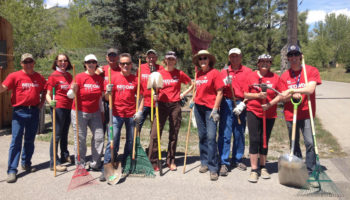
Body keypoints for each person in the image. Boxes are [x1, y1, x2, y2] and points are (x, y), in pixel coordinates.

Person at [0, 53, 46, 183]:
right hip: (19, 112)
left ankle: (26, 163)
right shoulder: (14, 76)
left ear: (34, 63)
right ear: (21, 64)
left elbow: (45, 88)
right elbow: (2, 88)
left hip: (34, 111)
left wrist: (42, 103)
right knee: (16, 141)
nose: (28, 64)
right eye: (25, 62)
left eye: (30, 61)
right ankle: (12, 171)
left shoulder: (39, 77)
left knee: (30, 140)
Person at [281, 45, 322, 175]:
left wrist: (293, 90)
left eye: (296, 55)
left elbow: (310, 89)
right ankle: (298, 169)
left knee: (310, 142)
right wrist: (291, 95)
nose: (293, 58)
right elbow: (283, 97)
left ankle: (310, 170)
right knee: (294, 143)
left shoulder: (310, 71)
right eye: (291, 55)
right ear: (287, 58)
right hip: (290, 114)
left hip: (306, 113)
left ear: (300, 56)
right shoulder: (285, 76)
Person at [147, 51, 192, 171]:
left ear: (175, 60)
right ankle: (153, 161)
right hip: (161, 104)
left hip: (175, 105)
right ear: (165, 60)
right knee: (155, 134)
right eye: (168, 59)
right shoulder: (159, 73)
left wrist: (183, 94)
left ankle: (170, 160)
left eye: (173, 59)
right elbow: (153, 88)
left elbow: (192, 84)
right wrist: (155, 95)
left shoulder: (179, 73)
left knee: (174, 133)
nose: (170, 61)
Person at [243, 54, 284, 183]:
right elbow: (244, 94)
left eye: (268, 61)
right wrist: (258, 95)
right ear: (258, 63)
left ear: (271, 63)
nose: (265, 63)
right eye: (262, 61)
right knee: (254, 139)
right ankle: (254, 170)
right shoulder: (250, 76)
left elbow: (281, 94)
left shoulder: (275, 78)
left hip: (269, 113)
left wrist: (270, 104)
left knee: (264, 139)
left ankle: (263, 166)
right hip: (253, 111)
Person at [100, 53, 139, 181]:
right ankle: (106, 167)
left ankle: (126, 164)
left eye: (127, 63)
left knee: (130, 141)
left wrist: (139, 111)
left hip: (131, 115)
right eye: (122, 63)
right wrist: (108, 92)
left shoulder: (135, 79)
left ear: (131, 65)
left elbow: (142, 96)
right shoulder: (114, 77)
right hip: (116, 115)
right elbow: (106, 98)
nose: (125, 65)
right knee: (112, 141)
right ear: (119, 64)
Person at [218, 48, 252, 176]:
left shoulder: (248, 71)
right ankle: (224, 162)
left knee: (239, 132)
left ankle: (237, 159)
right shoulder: (224, 71)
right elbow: (219, 88)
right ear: (229, 58)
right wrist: (224, 82)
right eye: (232, 56)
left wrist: (243, 104)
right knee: (225, 133)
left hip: (241, 102)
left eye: (237, 56)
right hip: (227, 102)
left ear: (241, 57)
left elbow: (251, 90)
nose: (234, 58)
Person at [68, 54, 104, 170]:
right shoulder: (78, 77)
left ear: (96, 64)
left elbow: (101, 97)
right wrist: (73, 90)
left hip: (95, 112)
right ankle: (80, 164)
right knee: (80, 138)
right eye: (89, 62)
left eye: (93, 62)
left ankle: (95, 163)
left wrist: (102, 111)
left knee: (99, 137)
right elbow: (70, 95)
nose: (91, 64)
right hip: (79, 112)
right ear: (85, 64)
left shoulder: (99, 79)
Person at [192, 50, 224, 181]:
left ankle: (213, 167)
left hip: (210, 109)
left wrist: (215, 109)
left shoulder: (215, 73)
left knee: (211, 137)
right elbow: (197, 89)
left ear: (209, 60)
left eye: (205, 58)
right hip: (198, 108)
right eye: (200, 59)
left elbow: (220, 92)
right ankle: (204, 162)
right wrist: (192, 100)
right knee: (202, 136)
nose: (203, 60)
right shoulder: (198, 73)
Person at [46, 54, 73, 172]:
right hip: (58, 107)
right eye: (60, 61)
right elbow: (48, 93)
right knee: (56, 135)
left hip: (69, 107)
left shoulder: (69, 75)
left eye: (65, 60)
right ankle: (54, 162)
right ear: (56, 62)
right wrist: (50, 102)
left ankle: (64, 154)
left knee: (65, 132)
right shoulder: (54, 76)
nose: (63, 63)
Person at [137, 49, 164, 131]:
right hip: (143, 102)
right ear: (146, 58)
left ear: (156, 58)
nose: (151, 59)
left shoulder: (161, 69)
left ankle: (152, 144)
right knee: (138, 124)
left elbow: (163, 85)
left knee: (154, 127)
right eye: (149, 57)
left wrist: (159, 95)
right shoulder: (141, 68)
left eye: (153, 57)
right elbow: (137, 83)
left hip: (155, 102)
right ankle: (136, 142)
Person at [96, 48, 120, 135]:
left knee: (113, 130)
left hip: (115, 102)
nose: (112, 58)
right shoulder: (101, 70)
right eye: (110, 56)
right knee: (101, 129)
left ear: (118, 58)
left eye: (114, 55)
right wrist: (96, 73)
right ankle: (99, 148)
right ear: (106, 57)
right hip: (103, 102)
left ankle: (111, 147)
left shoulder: (121, 70)